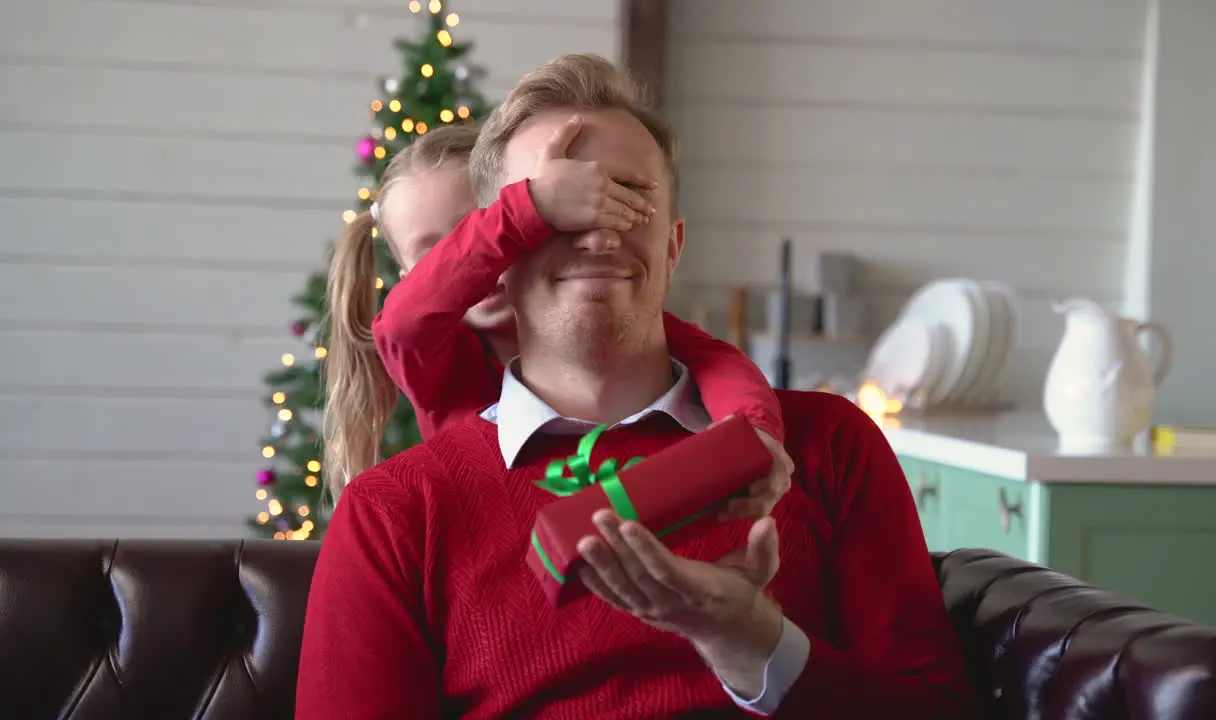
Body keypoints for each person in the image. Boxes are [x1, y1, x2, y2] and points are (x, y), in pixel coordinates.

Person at [297, 54, 977, 719]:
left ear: (674, 245)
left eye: (631, 199)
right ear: (492, 264)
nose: (597, 236)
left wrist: (750, 643)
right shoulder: (393, 512)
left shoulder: (830, 444)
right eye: (557, 209)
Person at [323, 124, 791, 519]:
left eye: (478, 227)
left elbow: (717, 364)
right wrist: (522, 209)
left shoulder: (600, 318)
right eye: (436, 256)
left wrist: (754, 430)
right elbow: (403, 324)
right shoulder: (442, 364)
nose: (478, 265)